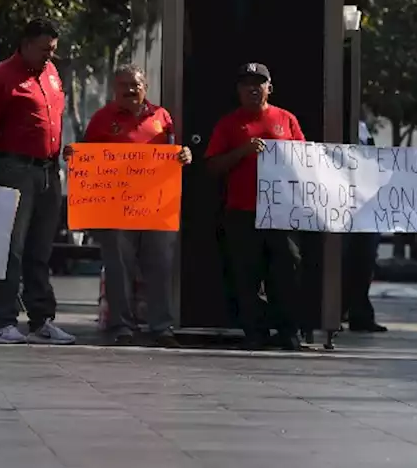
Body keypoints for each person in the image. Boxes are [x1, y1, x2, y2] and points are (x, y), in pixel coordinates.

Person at [67, 64, 192, 347]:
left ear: (145, 87)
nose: (130, 89)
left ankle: (161, 327)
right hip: (115, 209)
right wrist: (73, 154)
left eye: (135, 84)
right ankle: (121, 325)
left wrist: (184, 155)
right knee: (118, 267)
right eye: (123, 85)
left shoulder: (162, 117)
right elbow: (84, 157)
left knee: (160, 267)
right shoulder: (101, 119)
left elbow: (175, 151)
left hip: (156, 208)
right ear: (114, 89)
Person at [0, 17, 75, 346]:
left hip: (49, 171)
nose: (49, 56)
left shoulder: (53, 74)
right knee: (11, 249)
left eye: (53, 50)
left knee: (40, 250)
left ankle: (42, 320)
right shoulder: (1, 78)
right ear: (26, 43)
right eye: (44, 49)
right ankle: (3, 322)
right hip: (16, 171)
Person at [205, 63, 306, 351]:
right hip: (242, 211)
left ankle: (288, 331)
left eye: (259, 83)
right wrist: (243, 152)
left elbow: (306, 161)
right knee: (246, 275)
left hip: (281, 212)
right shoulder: (228, 124)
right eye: (247, 83)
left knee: (287, 271)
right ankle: (254, 332)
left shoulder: (286, 120)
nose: (253, 88)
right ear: (238, 90)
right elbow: (212, 166)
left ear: (269, 88)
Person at [342, 118, 386, 333]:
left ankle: (360, 314)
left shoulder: (362, 128)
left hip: (366, 205)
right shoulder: (337, 123)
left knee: (364, 261)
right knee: (342, 260)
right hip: (341, 205)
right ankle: (338, 311)